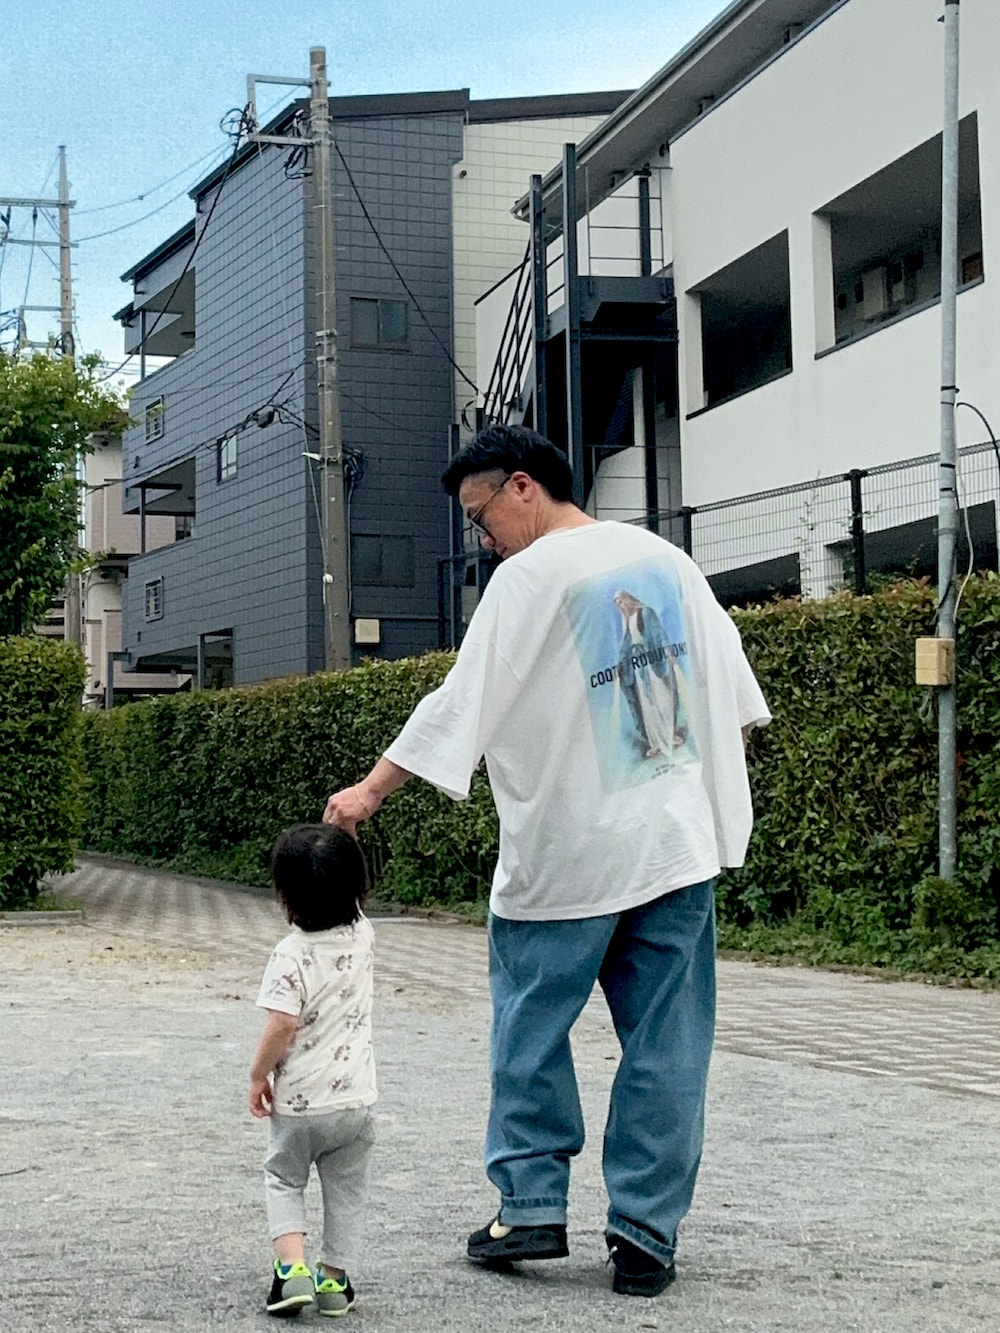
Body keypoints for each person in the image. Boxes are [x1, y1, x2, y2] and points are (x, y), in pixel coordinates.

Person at [323, 423, 769, 1298]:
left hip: (569, 851)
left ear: (523, 486)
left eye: (480, 515)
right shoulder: (666, 559)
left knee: (530, 1027)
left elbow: (463, 698)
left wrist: (371, 790)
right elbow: (735, 693)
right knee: (668, 1043)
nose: (480, 539)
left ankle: (529, 1202)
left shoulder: (530, 576)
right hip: (674, 846)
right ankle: (646, 1233)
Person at [249, 823, 376, 1318]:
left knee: (283, 1178)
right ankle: (334, 1282)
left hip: (301, 1104)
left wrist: (258, 1075)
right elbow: (350, 890)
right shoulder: (363, 937)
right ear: (358, 888)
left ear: (285, 897)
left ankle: (291, 1272)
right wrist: (344, 830)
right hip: (356, 1103)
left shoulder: (290, 955)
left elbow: (281, 1024)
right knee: (347, 1190)